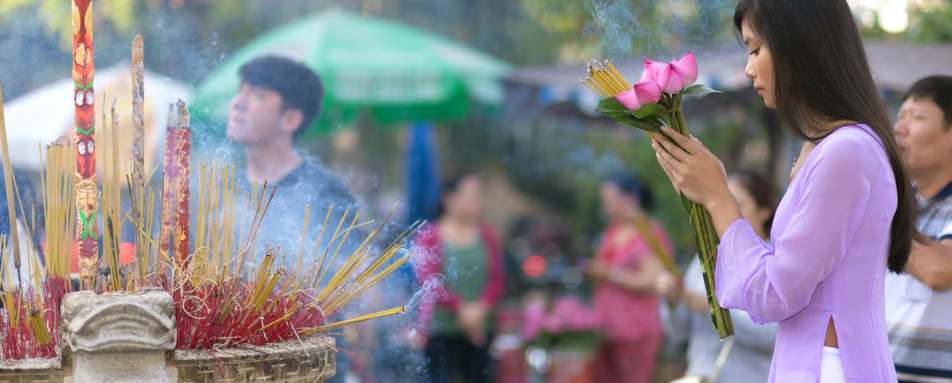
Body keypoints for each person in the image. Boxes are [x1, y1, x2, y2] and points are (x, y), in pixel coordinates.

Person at [651, 0, 920, 381]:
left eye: (756, 49)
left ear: (799, 45)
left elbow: (776, 292)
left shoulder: (845, 151)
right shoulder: (825, 147)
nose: (748, 69)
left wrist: (718, 197)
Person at [225, 55, 358, 383]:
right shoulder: (218, 187)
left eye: (256, 96)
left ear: (290, 118)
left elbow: (345, 286)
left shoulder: (327, 194)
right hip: (228, 360)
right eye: (240, 91)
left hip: (304, 363)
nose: (238, 103)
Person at [661, 170, 778, 383]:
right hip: (699, 375)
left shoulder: (774, 261)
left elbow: (772, 336)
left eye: (737, 204)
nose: (725, 211)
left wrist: (712, 308)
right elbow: (677, 333)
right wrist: (672, 301)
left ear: (764, 211)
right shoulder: (705, 257)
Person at [885, 75, 952, 382]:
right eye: (900, 116)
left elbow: (940, 269)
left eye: (918, 117)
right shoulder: (892, 202)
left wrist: (873, 217)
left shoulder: (881, 212)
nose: (900, 128)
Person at [412, 173, 505, 383]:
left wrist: (480, 308)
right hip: (441, 331)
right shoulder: (430, 236)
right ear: (449, 198)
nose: (476, 202)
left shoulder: (487, 236)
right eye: (470, 196)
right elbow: (429, 280)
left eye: (477, 196)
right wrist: (460, 307)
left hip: (480, 329)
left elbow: (497, 279)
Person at [586, 173, 673, 383]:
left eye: (609, 201)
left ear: (630, 199)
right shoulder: (613, 231)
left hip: (636, 332)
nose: (605, 208)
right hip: (608, 332)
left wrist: (610, 273)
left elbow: (653, 281)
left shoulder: (649, 233)